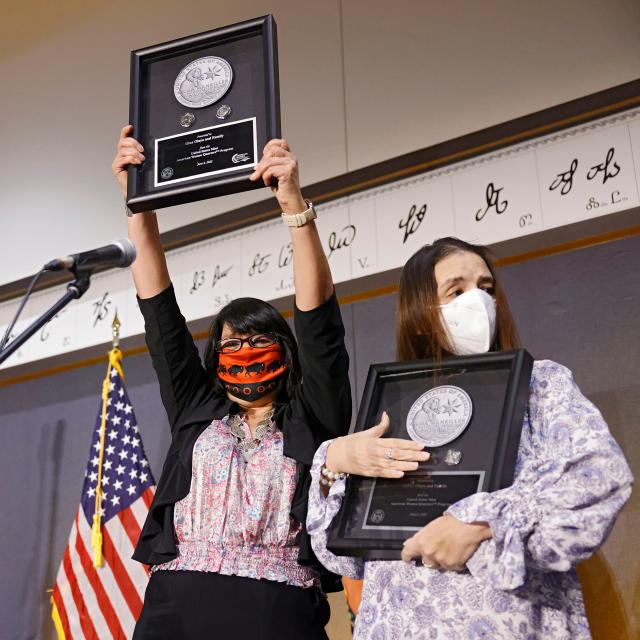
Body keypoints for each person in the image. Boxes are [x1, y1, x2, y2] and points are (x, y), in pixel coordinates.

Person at [306, 237, 633, 639]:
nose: (478, 302)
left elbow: (599, 476)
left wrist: (480, 524)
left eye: (486, 289)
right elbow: (344, 557)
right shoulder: (395, 401)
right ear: (422, 312)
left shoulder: (539, 384)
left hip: (510, 624)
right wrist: (333, 463)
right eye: (456, 290)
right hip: (399, 622)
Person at [112, 126, 352, 639]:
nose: (245, 352)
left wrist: (294, 205)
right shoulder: (196, 407)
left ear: (284, 352)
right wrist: (139, 205)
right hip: (174, 605)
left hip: (275, 610)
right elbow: (160, 313)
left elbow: (319, 325)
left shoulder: (313, 415)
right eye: (232, 343)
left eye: (258, 340)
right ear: (215, 356)